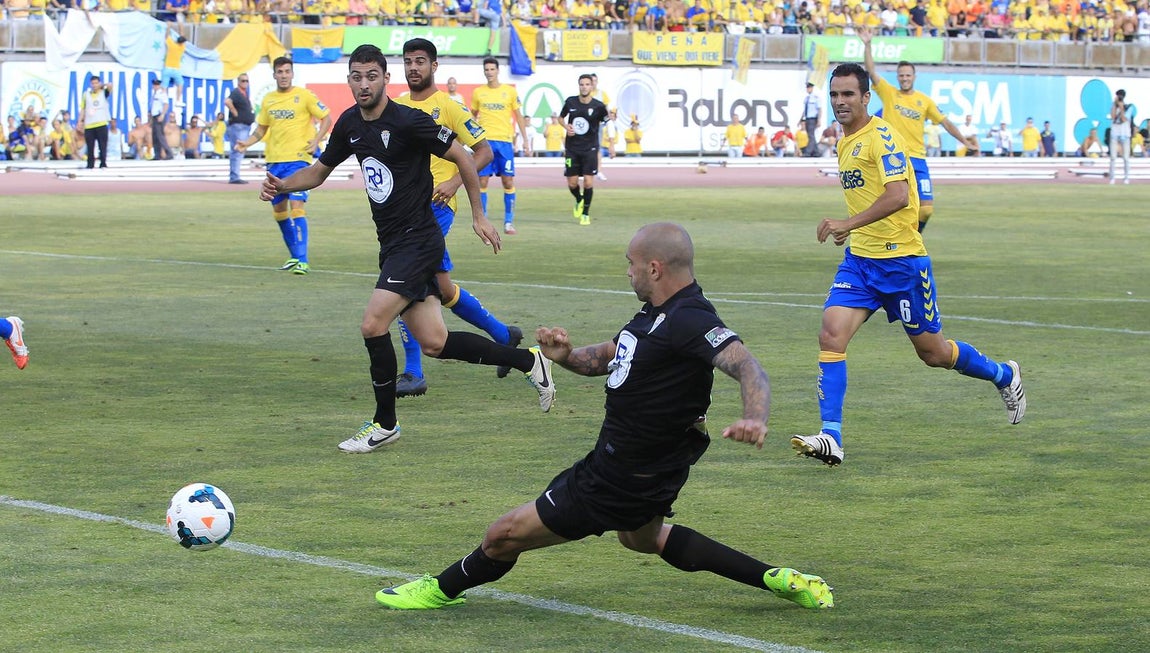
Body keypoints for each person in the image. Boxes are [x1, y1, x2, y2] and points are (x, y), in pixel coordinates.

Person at [374, 223, 835, 613]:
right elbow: (611, 357)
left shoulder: (690, 318)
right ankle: (775, 577)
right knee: (640, 539)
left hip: (620, 474)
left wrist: (756, 416)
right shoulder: (657, 314)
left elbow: (747, 365)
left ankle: (440, 589)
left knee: (502, 535)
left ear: (654, 268)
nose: (628, 270)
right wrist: (566, 355)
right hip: (650, 469)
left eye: (631, 263)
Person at [258, 44, 556, 453]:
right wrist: (282, 183)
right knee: (435, 342)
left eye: (371, 76)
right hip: (393, 242)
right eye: (356, 77)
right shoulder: (349, 124)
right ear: (349, 81)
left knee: (372, 324)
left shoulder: (409, 121)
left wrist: (478, 215)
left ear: (385, 79)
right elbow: (319, 171)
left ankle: (385, 423)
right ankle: (529, 361)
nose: (364, 84)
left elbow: (466, 158)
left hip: (419, 239)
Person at [789, 63, 1026, 468]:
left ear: (866, 98)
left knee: (933, 354)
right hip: (861, 263)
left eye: (848, 94)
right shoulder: (845, 140)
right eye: (834, 95)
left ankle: (1003, 375)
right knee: (831, 336)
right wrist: (853, 232)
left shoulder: (882, 137)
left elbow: (898, 196)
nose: (840, 102)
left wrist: (846, 222)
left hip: (901, 263)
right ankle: (832, 437)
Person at [392, 38, 525, 397]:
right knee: (442, 288)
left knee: (405, 284)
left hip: (435, 207)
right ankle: (503, 335)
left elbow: (482, 152)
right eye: (408, 61)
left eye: (420, 61)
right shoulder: (396, 107)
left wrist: (452, 182)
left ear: (434, 67)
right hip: (403, 211)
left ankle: (413, 372)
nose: (413, 67)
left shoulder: (449, 108)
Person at [859, 26, 977, 232]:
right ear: (898, 77)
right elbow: (870, 71)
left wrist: (964, 141)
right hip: (894, 158)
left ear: (914, 77)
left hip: (918, 159)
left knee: (925, 210)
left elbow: (946, 123)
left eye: (907, 75)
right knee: (894, 207)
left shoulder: (925, 101)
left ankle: (914, 239)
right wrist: (867, 44)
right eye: (901, 75)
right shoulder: (889, 93)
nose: (904, 78)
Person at [236, 56, 333, 275]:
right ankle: (294, 256)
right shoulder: (269, 100)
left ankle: (303, 260)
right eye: (280, 72)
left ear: (292, 73)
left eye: (287, 71)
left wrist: (317, 140)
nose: (283, 75)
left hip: (298, 161)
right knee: (279, 211)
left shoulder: (304, 96)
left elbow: (326, 117)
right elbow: (261, 130)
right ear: (274, 75)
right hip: (275, 162)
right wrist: (246, 143)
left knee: (297, 206)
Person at [470, 57, 531, 235]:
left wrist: (525, 140)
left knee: (508, 181)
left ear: (497, 71)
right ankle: (483, 219)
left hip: (504, 142)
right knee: (482, 180)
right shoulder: (478, 92)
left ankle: (508, 222)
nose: (489, 72)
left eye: (492, 69)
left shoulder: (509, 92)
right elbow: (472, 117)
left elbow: (518, 116)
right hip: (484, 143)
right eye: (486, 70)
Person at [560, 74, 610, 226]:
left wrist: (612, 119)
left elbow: (607, 121)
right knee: (572, 183)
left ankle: (586, 213)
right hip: (572, 148)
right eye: (582, 84)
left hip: (590, 148)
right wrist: (565, 126)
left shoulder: (599, 106)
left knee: (588, 182)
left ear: (592, 86)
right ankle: (579, 199)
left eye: (587, 84)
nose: (584, 87)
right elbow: (561, 118)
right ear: (579, 86)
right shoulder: (571, 102)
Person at [224, 73, 255, 184]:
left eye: (246, 81)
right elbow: (227, 101)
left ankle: (235, 175)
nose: (245, 83)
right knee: (237, 150)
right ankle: (234, 176)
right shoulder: (236, 92)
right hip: (238, 126)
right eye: (243, 80)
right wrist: (234, 112)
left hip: (244, 126)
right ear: (238, 81)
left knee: (239, 150)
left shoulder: (244, 93)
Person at [77, 74, 112, 169]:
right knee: (90, 147)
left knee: (102, 145)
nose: (94, 85)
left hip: (101, 123)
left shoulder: (103, 92)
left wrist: (101, 85)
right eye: (93, 83)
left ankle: (103, 163)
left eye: (96, 83)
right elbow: (83, 109)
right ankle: (90, 164)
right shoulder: (86, 94)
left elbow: (110, 85)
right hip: (89, 125)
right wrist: (80, 121)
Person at [161, 23, 188, 108]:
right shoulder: (181, 48)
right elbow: (182, 36)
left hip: (167, 68)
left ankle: (165, 98)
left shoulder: (172, 45)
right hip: (176, 69)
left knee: (164, 85)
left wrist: (168, 27)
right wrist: (181, 26)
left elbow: (166, 36)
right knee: (180, 83)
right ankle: (178, 100)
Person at [1109, 88, 1131, 184]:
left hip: (1125, 134)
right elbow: (1113, 117)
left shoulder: (1129, 107)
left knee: (1126, 158)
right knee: (1113, 157)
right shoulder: (1113, 106)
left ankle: (1126, 178)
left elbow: (1124, 118)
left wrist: (1121, 108)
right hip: (1115, 134)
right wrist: (1115, 105)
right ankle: (1112, 178)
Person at [149, 78, 174, 161]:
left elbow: (166, 104)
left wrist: (163, 114)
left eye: (156, 85)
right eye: (154, 85)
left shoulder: (162, 93)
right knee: (155, 136)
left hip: (159, 116)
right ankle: (157, 154)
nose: (155, 86)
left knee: (160, 136)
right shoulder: (154, 93)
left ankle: (169, 153)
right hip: (154, 116)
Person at [799, 81, 821, 157]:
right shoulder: (806, 98)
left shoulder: (815, 97)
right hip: (807, 118)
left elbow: (819, 109)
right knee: (810, 135)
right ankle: (816, 152)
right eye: (807, 88)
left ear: (811, 88)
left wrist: (819, 120)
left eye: (808, 88)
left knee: (811, 135)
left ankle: (807, 152)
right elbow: (805, 111)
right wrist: (800, 120)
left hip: (813, 118)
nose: (807, 89)